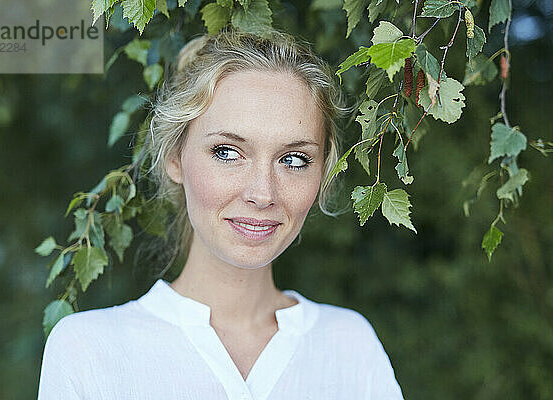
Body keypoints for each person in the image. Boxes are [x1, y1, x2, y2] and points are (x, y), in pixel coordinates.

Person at [37, 28, 404, 400]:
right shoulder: (88, 350)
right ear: (175, 157)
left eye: (293, 159)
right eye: (227, 152)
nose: (263, 194)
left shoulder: (349, 346)